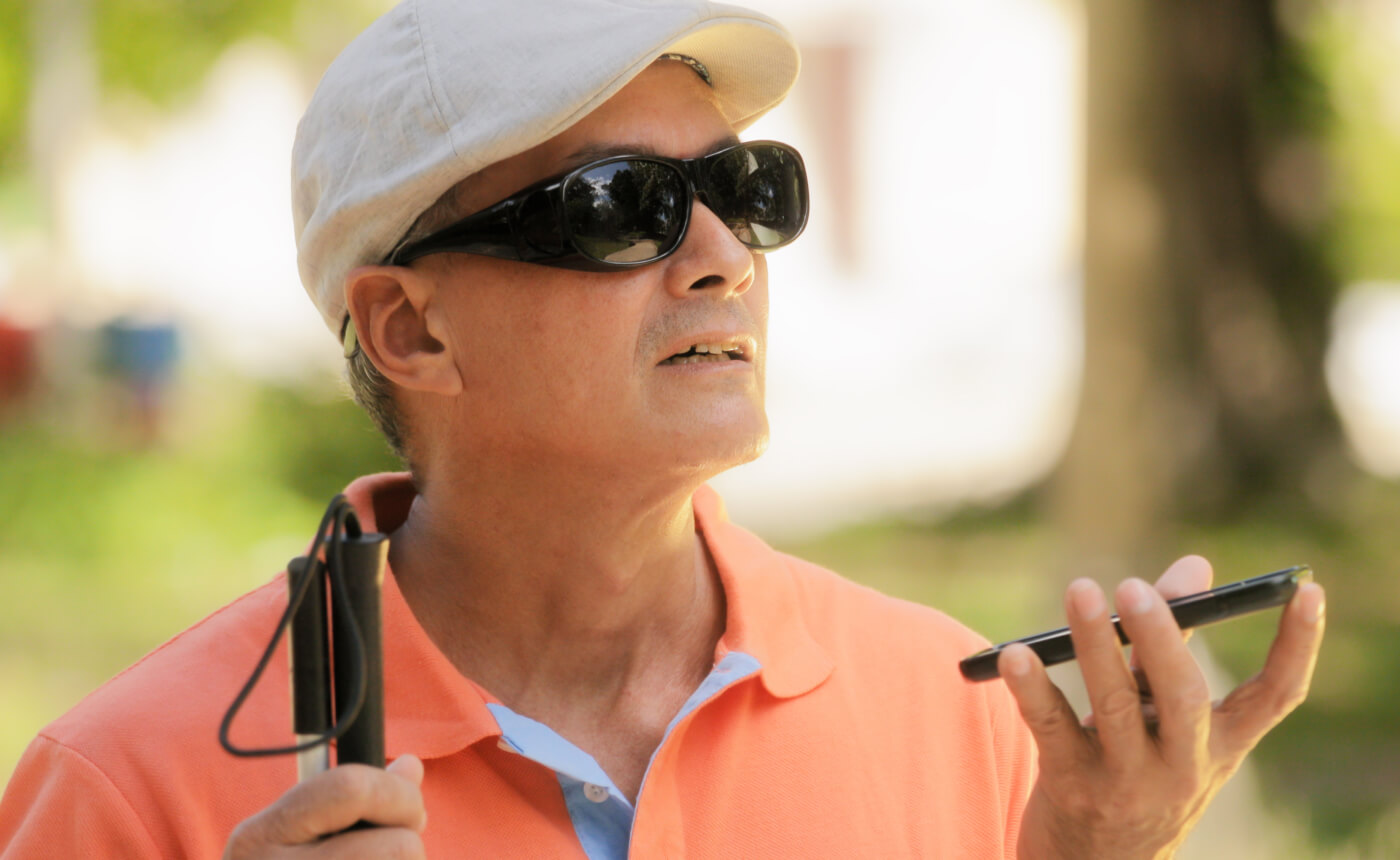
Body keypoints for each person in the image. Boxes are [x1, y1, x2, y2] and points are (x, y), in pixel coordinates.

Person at [0, 1, 1325, 857]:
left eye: (744, 188)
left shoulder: (964, 714)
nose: (720, 257)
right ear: (410, 330)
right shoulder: (126, 791)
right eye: (618, 205)